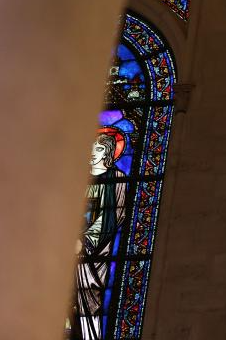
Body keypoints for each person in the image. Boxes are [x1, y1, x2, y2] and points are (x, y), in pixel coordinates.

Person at [71, 131, 128, 340]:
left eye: (99, 148)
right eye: (92, 147)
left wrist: (85, 241)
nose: (93, 152)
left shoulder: (117, 178)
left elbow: (114, 215)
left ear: (109, 153)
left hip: (96, 250)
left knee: (89, 296)